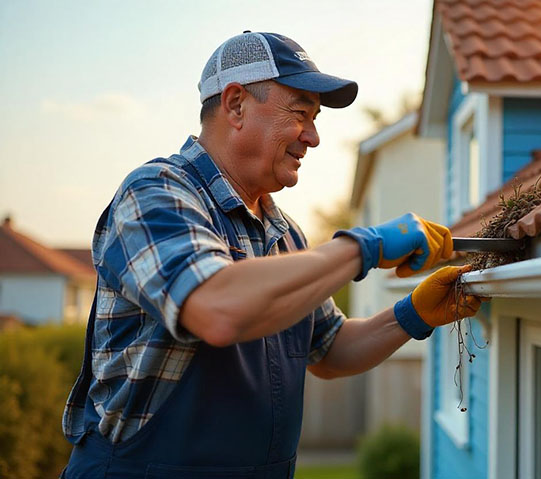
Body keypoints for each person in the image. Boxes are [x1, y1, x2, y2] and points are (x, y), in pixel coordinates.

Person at [60, 32, 482, 479]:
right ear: (236, 104)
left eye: (315, 118)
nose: (314, 137)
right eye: (300, 113)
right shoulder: (156, 194)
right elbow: (216, 309)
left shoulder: (285, 235)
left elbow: (330, 349)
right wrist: (363, 247)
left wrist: (411, 314)